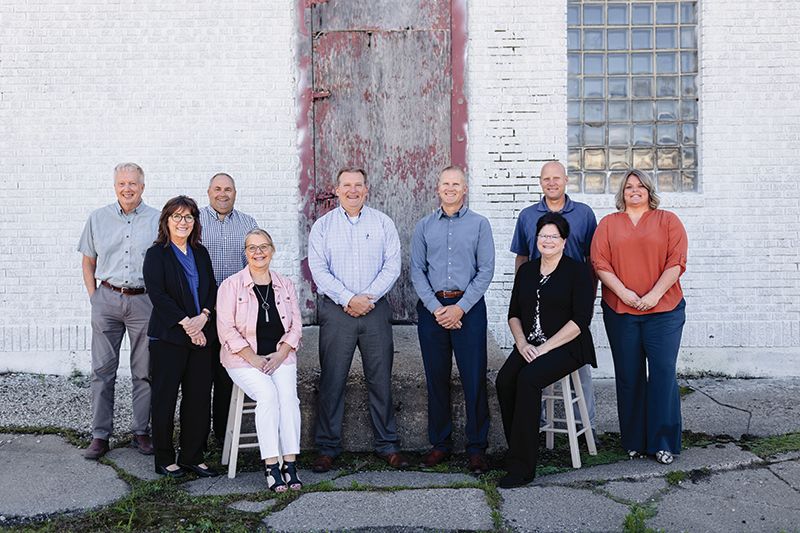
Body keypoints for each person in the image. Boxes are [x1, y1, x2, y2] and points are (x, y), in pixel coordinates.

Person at [307, 167, 407, 472]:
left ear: (366, 189)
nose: (352, 190)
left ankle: (387, 444)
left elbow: (392, 266)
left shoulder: (383, 223)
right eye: (346, 185)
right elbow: (318, 270)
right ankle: (327, 447)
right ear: (336, 190)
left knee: (380, 380)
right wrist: (348, 299)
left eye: (358, 185)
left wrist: (367, 298)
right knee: (332, 379)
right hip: (337, 312)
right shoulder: (322, 227)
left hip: (374, 310)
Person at [591, 169, 688, 465]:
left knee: (662, 374)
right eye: (629, 186)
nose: (635, 190)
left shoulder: (668, 221)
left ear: (649, 191)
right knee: (629, 376)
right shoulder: (609, 224)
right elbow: (600, 262)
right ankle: (634, 441)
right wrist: (624, 293)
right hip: (621, 312)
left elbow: (677, 261)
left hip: (665, 312)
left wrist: (655, 294)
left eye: (640, 186)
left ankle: (662, 442)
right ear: (622, 193)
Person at [496, 212, 596, 488]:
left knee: (528, 380)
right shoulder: (527, 271)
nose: (548, 241)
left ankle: (523, 468)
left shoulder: (577, 272)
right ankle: (517, 447)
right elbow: (514, 314)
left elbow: (580, 322)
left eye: (554, 236)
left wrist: (544, 349)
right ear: (536, 239)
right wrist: (523, 344)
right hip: (530, 343)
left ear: (564, 241)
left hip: (567, 345)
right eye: (543, 236)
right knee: (504, 381)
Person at [410, 165, 495, 474]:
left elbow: (486, 270)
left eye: (456, 183)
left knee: (474, 378)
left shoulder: (480, 225)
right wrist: (437, 309)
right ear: (438, 188)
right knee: (436, 378)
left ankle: (476, 448)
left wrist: (460, 309)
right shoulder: (423, 227)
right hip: (432, 309)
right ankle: (441, 444)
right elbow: (416, 271)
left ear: (464, 189)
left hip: (469, 310)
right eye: (445, 183)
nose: (450, 188)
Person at [77, 162, 159, 460]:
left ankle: (141, 432)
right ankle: (100, 435)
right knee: (102, 371)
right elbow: (88, 261)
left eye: (133, 183)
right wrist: (94, 297)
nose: (127, 188)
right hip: (107, 299)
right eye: (122, 183)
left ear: (142, 187)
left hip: (143, 301)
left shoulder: (157, 219)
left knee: (144, 371)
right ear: (115, 186)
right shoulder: (97, 218)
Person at [510, 161, 599, 433]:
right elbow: (522, 258)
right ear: (540, 182)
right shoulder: (527, 216)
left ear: (566, 180)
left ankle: (587, 425)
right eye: (546, 179)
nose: (551, 183)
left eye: (556, 178)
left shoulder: (584, 214)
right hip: (539, 304)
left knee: (579, 367)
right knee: (532, 366)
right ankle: (534, 424)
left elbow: (591, 259)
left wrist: (588, 300)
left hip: (571, 302)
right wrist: (522, 297)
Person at [216, 229, 303, 492]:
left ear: (272, 250)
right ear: (246, 253)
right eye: (252, 248)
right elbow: (226, 329)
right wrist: (252, 357)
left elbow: (296, 325)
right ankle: (271, 464)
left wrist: (282, 352)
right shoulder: (231, 286)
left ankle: (290, 462)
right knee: (267, 395)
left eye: (264, 246)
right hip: (243, 359)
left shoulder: (285, 284)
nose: (258, 252)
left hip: (279, 356)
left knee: (288, 398)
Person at [143, 196, 218, 478]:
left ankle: (192, 456)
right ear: (166, 221)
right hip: (169, 338)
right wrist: (189, 324)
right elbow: (158, 295)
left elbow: (211, 287)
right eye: (177, 216)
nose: (183, 222)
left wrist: (205, 316)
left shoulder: (200, 252)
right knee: (165, 399)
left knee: (198, 398)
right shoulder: (156, 254)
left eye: (188, 217)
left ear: (195, 222)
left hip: (201, 335)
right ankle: (164, 458)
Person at [199, 172, 258, 445]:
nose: (223, 194)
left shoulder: (248, 224)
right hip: (202, 310)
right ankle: (197, 437)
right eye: (218, 189)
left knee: (227, 374)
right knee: (200, 374)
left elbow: (255, 265)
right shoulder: (194, 221)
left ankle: (223, 436)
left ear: (236, 192)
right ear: (209, 192)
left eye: (229, 189)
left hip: (235, 313)